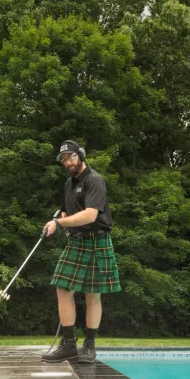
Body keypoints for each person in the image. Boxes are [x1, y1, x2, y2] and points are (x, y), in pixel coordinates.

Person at [41, 140, 121, 363]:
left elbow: (89, 215)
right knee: (62, 288)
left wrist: (58, 223)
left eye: (71, 157)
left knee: (92, 294)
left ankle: (90, 345)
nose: (68, 162)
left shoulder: (94, 180)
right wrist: (61, 219)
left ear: (81, 155)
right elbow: (67, 212)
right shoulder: (68, 184)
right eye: (64, 159)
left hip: (98, 240)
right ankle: (68, 345)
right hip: (76, 241)